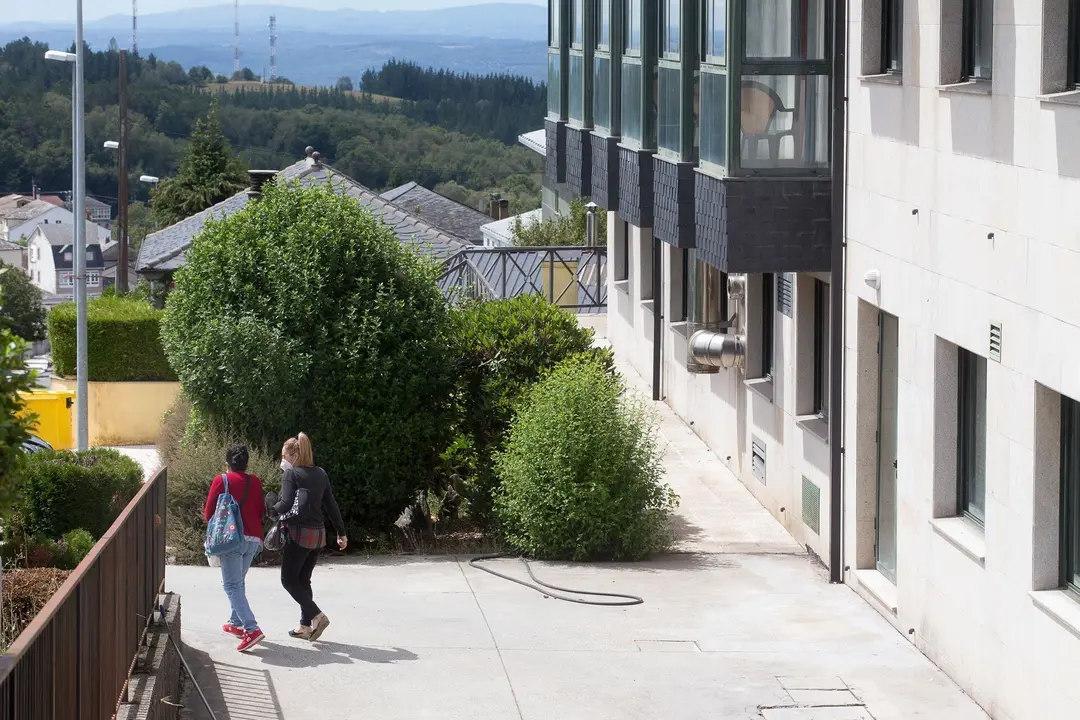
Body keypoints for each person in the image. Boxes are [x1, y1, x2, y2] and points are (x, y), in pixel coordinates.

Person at [274, 432, 347, 641]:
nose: (283, 462)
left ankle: (317, 615)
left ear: (293, 455)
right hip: (318, 536)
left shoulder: (292, 474)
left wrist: (270, 507)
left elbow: (285, 504)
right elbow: (331, 505)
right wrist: (341, 532)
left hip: (298, 534)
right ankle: (305, 626)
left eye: (284, 457)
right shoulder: (320, 473)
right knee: (304, 579)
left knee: (288, 580)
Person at [204, 444, 266, 652]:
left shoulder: (221, 480)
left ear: (228, 462)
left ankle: (252, 628)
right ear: (247, 463)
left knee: (231, 585)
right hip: (254, 538)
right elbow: (261, 510)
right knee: (238, 582)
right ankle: (234, 622)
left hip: (232, 538)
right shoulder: (255, 482)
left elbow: (208, 513)